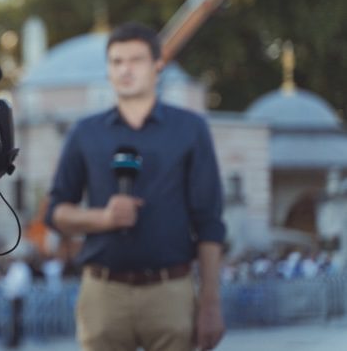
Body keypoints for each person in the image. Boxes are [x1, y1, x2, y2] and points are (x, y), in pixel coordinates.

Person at [45, 23, 226, 351]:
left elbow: (210, 223)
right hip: (103, 293)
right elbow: (55, 212)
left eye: (136, 60)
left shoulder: (191, 129)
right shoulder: (85, 133)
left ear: (158, 65)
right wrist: (103, 219)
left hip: (171, 290)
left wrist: (211, 304)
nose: (125, 70)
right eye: (116, 62)